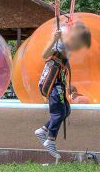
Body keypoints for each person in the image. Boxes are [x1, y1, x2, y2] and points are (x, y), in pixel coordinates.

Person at [34, 22, 92, 160]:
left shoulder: (67, 48)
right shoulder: (59, 44)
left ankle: (42, 130)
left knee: (66, 110)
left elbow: (66, 65)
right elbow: (44, 54)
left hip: (58, 83)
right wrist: (55, 39)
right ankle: (50, 139)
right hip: (52, 83)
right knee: (59, 112)